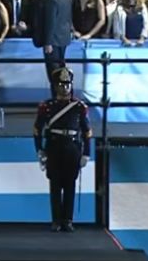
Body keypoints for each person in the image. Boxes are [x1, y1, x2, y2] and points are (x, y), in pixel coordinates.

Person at [33, 68, 91, 233]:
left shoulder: (79, 106)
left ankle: (68, 220)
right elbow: (37, 129)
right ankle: (56, 220)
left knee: (70, 185)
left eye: (67, 84)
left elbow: (87, 131)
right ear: (55, 86)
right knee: (55, 185)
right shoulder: (47, 106)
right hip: (54, 147)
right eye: (61, 85)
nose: (65, 88)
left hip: (72, 148)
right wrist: (39, 149)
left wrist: (86, 153)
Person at [34, 0, 73, 96]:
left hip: (53, 41)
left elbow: (51, 20)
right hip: (64, 39)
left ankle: (56, 100)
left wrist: (48, 42)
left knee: (54, 74)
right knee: (62, 72)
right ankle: (63, 98)